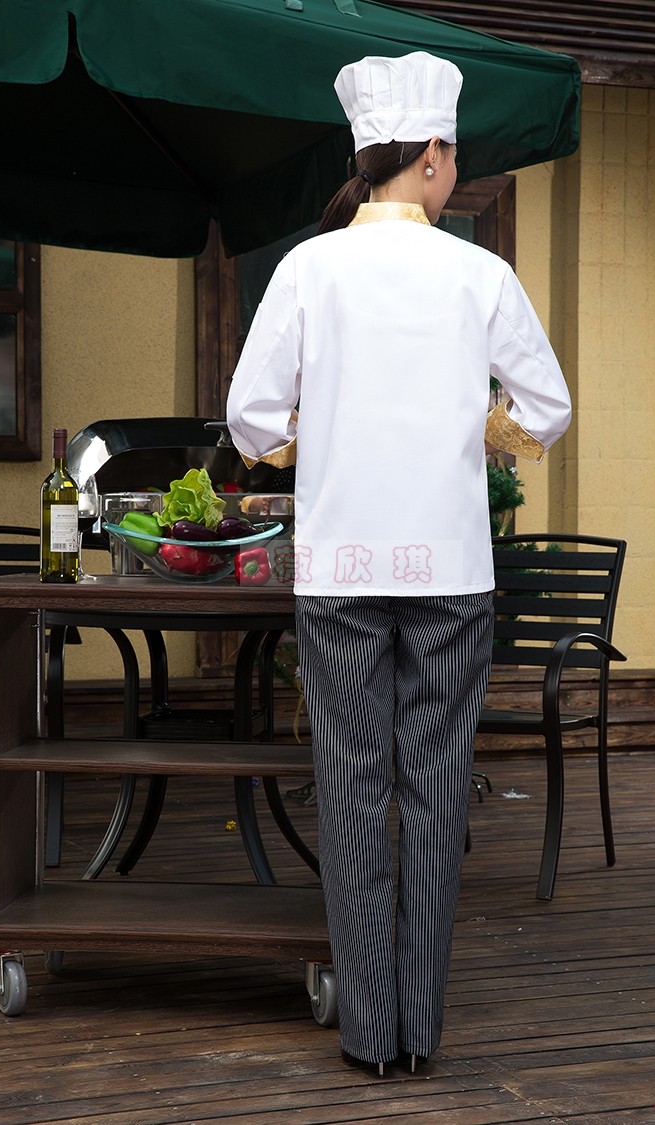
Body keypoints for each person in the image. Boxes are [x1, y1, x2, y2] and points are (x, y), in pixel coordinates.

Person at [226, 51, 571, 1076]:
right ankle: (419, 1031)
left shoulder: (309, 268)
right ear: (430, 155)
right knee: (435, 790)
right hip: (450, 571)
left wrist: (319, 441)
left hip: (340, 570)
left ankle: (369, 1035)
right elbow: (547, 410)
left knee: (348, 787)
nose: (454, 171)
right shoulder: (480, 274)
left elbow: (250, 419)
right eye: (453, 156)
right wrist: (481, 430)